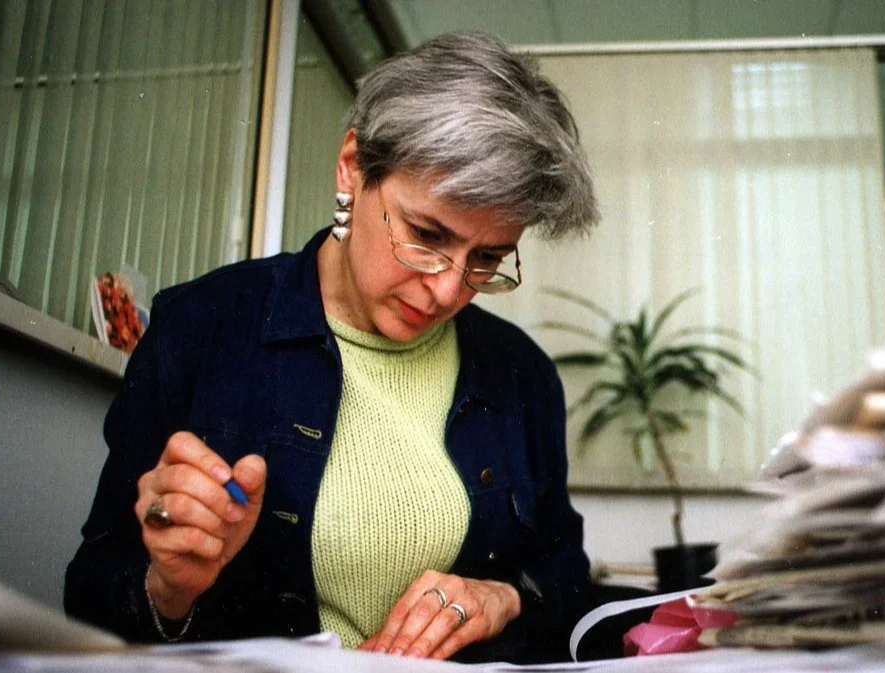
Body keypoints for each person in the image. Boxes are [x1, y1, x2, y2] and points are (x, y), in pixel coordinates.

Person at [64, 32, 600, 664]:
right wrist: (169, 588)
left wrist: (502, 598)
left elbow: (567, 573)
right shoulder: (202, 327)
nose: (448, 289)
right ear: (352, 167)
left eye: (487, 258)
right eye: (427, 236)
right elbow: (89, 593)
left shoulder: (521, 375)